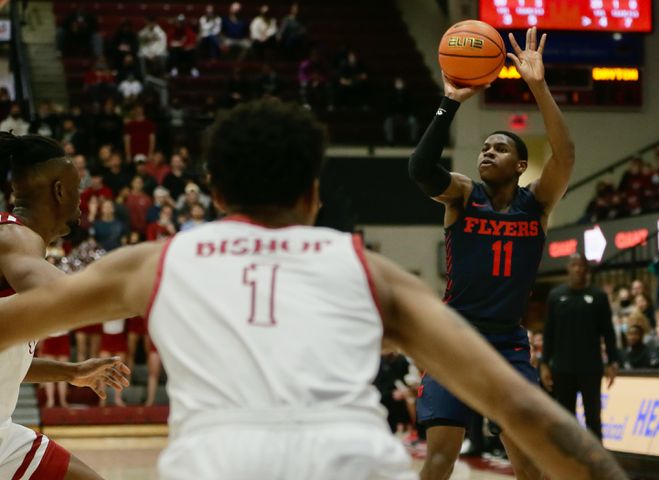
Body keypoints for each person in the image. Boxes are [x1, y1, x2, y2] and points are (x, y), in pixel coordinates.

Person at [0, 100, 626, 480]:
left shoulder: (156, 263)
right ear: (313, 196)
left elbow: (15, 321)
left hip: (219, 464)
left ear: (215, 194)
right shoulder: (370, 271)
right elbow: (520, 407)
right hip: (350, 463)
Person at [408, 28, 575, 480]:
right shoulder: (463, 194)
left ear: (521, 165)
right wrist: (451, 102)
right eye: (484, 147)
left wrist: (538, 87)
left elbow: (565, 154)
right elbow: (421, 169)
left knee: (530, 464)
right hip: (455, 339)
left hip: (507, 343)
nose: (487, 151)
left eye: (499, 148)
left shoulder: (536, 203)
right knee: (441, 457)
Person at [0, 132, 130, 479]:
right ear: (60, 191)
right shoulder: (13, 236)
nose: (81, 202)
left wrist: (73, 372)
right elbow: (52, 293)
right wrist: (139, 289)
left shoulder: (20, 242)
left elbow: (9, 364)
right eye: (78, 190)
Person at [541, 254, 619, 441]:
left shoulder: (598, 297)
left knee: (593, 416)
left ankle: (598, 463)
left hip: (590, 367)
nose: (578, 269)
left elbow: (608, 332)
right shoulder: (555, 296)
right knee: (566, 418)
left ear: (587, 270)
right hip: (562, 367)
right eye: (574, 265)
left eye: (582, 265)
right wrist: (544, 363)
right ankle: (569, 462)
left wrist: (612, 361)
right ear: (568, 268)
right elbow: (548, 332)